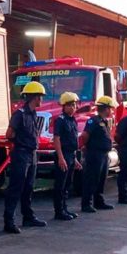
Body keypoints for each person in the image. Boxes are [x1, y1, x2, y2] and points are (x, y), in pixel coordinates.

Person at [3, 81, 48, 234]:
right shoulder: (19, 114)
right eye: (40, 96)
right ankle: (9, 221)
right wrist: (20, 142)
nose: (42, 99)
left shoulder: (34, 114)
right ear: (34, 97)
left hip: (32, 154)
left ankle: (28, 217)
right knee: (16, 188)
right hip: (21, 154)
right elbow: (9, 134)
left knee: (28, 188)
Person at [80, 96, 117, 213]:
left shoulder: (104, 121)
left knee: (101, 179)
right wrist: (85, 146)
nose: (112, 111)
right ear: (105, 108)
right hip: (95, 154)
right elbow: (85, 135)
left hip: (104, 154)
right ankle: (86, 204)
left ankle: (99, 201)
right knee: (91, 179)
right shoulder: (94, 121)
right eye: (111, 108)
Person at [52, 92, 82, 220]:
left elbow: (73, 140)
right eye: (69, 105)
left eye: (74, 105)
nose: (72, 107)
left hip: (70, 155)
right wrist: (61, 158)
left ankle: (65, 209)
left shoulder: (73, 120)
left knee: (67, 184)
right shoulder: (61, 120)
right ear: (63, 106)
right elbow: (57, 139)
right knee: (60, 185)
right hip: (63, 155)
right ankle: (59, 211)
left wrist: (74, 159)